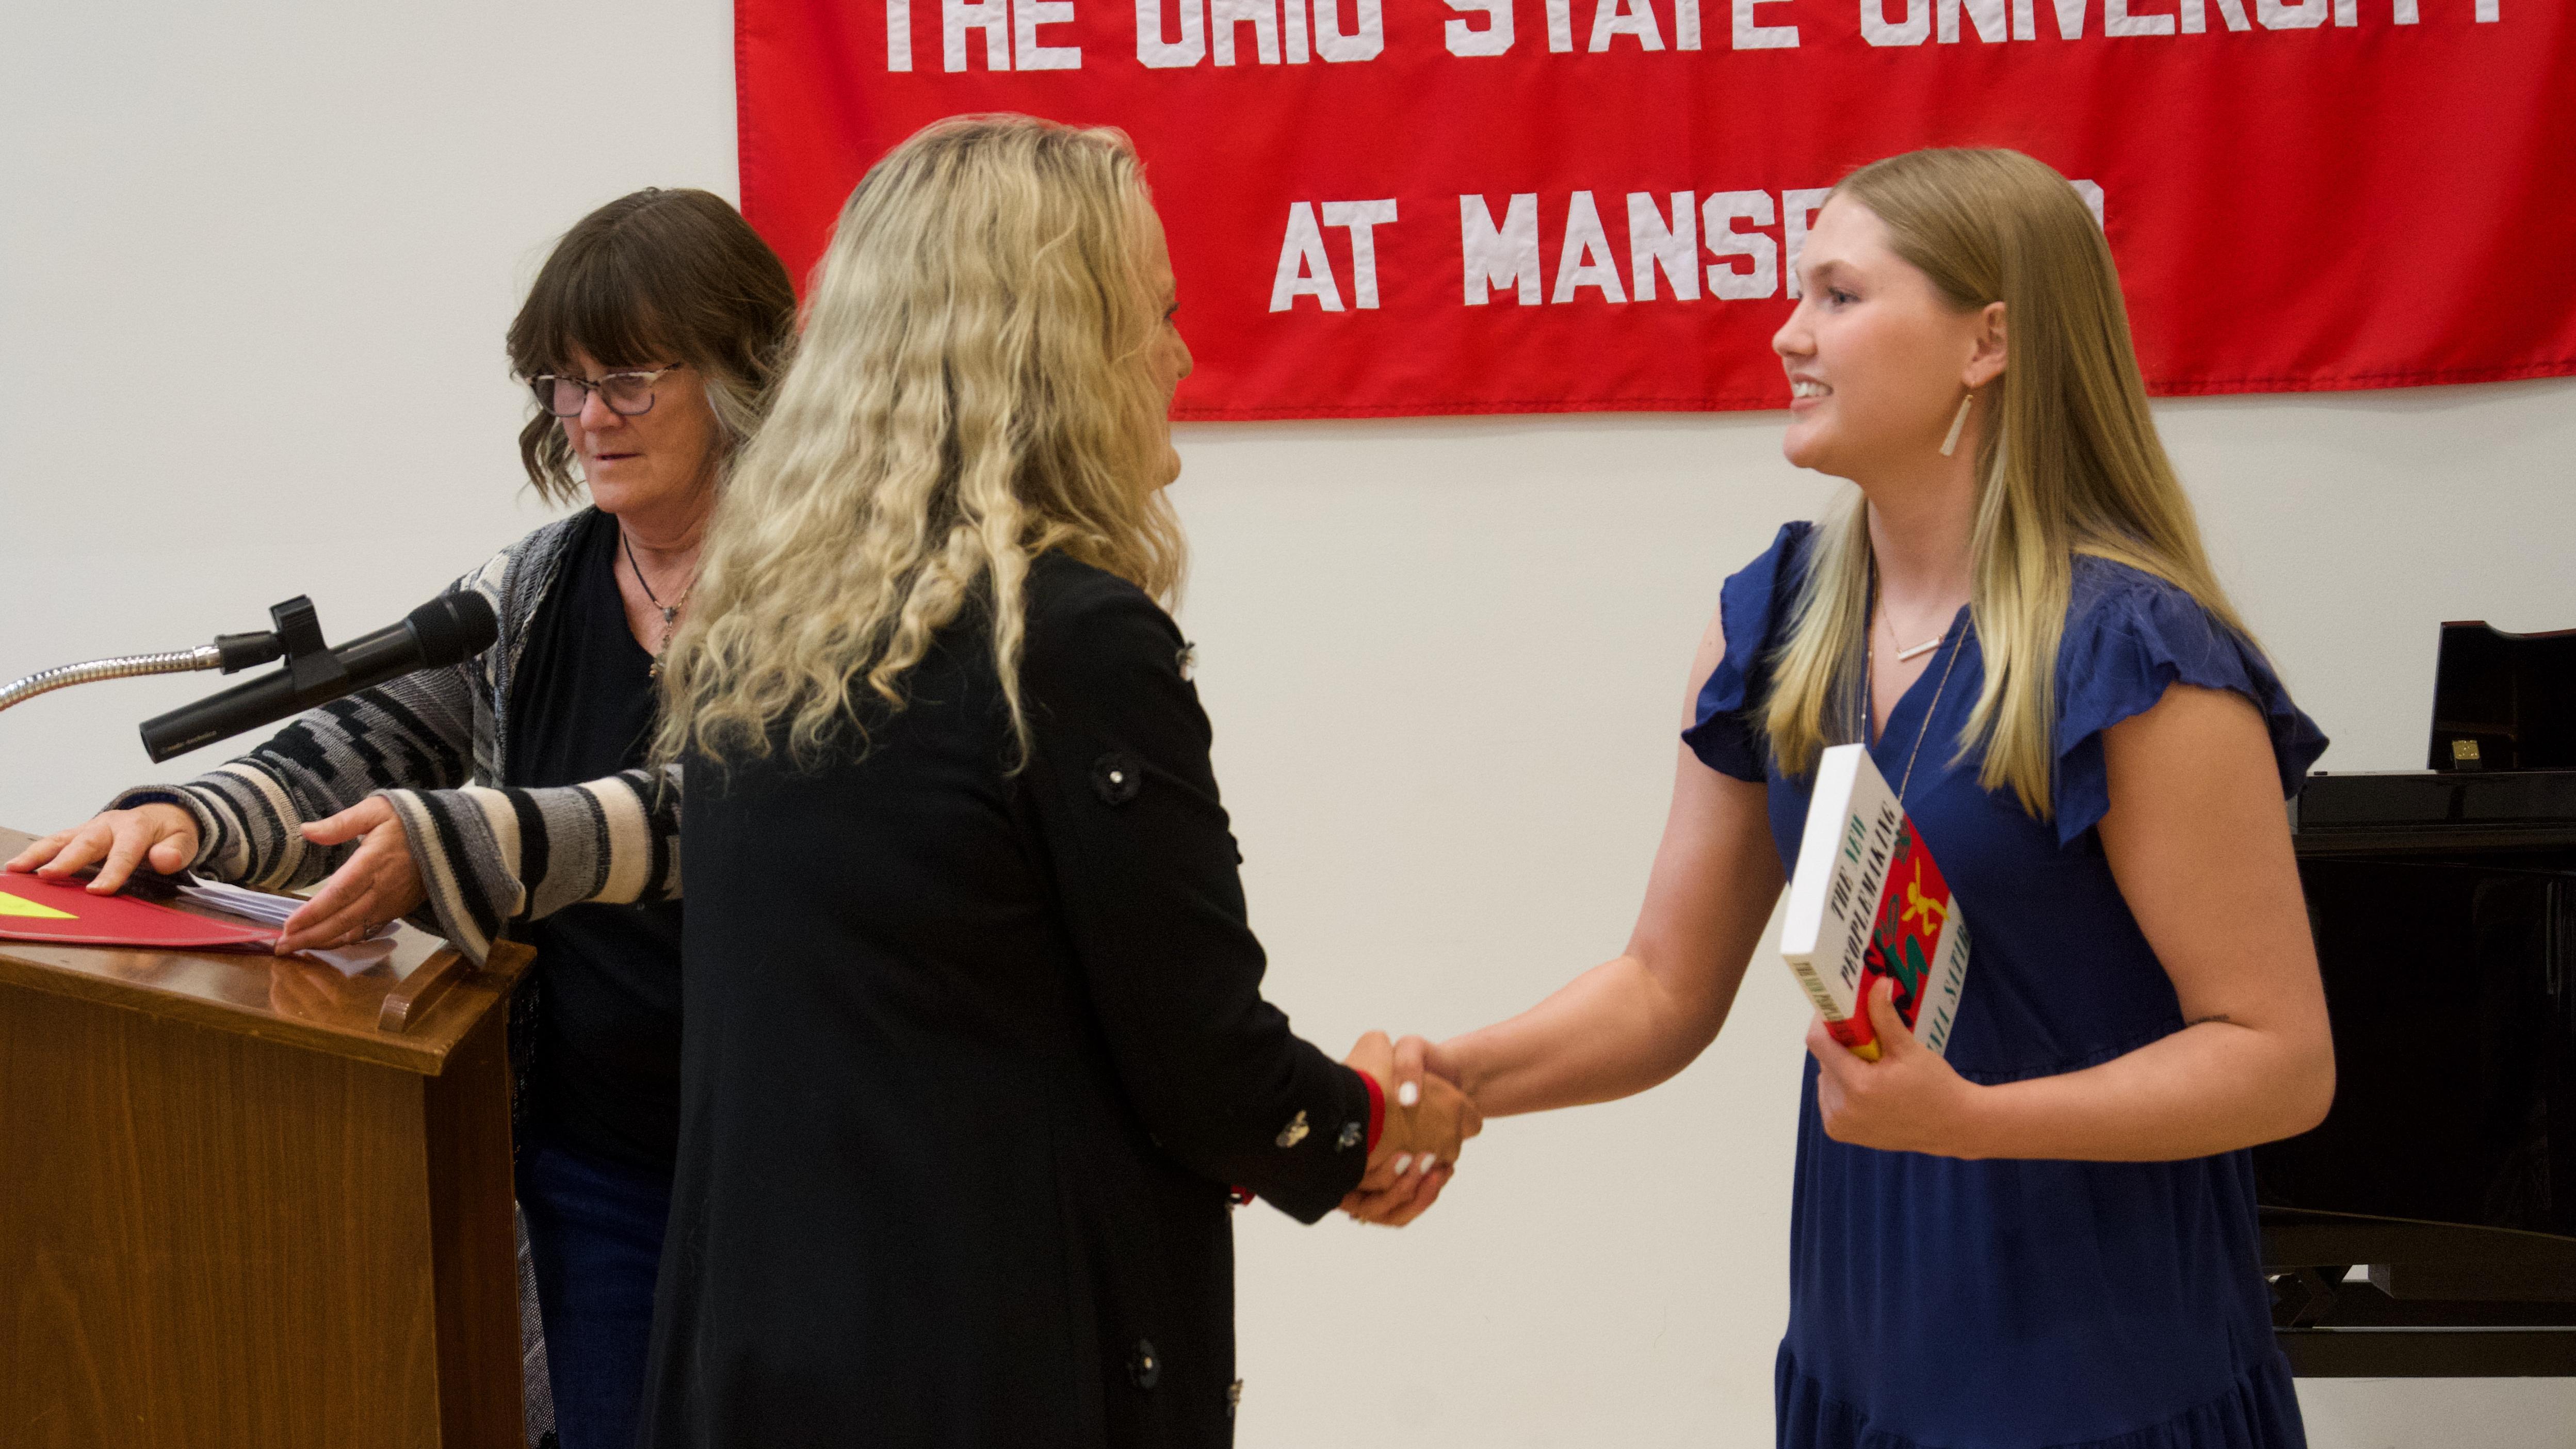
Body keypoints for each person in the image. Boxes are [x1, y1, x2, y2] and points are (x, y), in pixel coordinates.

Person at [1374, 148, 2335, 1447]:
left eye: (1837, 295)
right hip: (1861, 1366)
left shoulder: (2133, 656)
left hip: (2100, 1386)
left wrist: (1975, 1125)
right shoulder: (1774, 626)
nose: (1788, 334)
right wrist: (1455, 1081)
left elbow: (2279, 1060)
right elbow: (1662, 987)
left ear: (1987, 341)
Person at [624, 115, 1476, 1446]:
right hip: (983, 1369)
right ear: (1059, 352)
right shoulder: (1066, 643)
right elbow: (1196, 1053)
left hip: (764, 1359)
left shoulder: (760, 641)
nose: (1178, 357)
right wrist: (1364, 1124)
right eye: (1157, 317)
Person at [6, 187, 797, 1449]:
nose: (589, 417)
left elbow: (756, 809)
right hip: (600, 1161)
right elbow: (366, 743)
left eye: (630, 381)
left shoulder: (838, 585)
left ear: (741, 374)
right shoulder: (534, 587)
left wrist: (474, 841)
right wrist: (191, 820)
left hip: (804, 1158)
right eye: (563, 381)